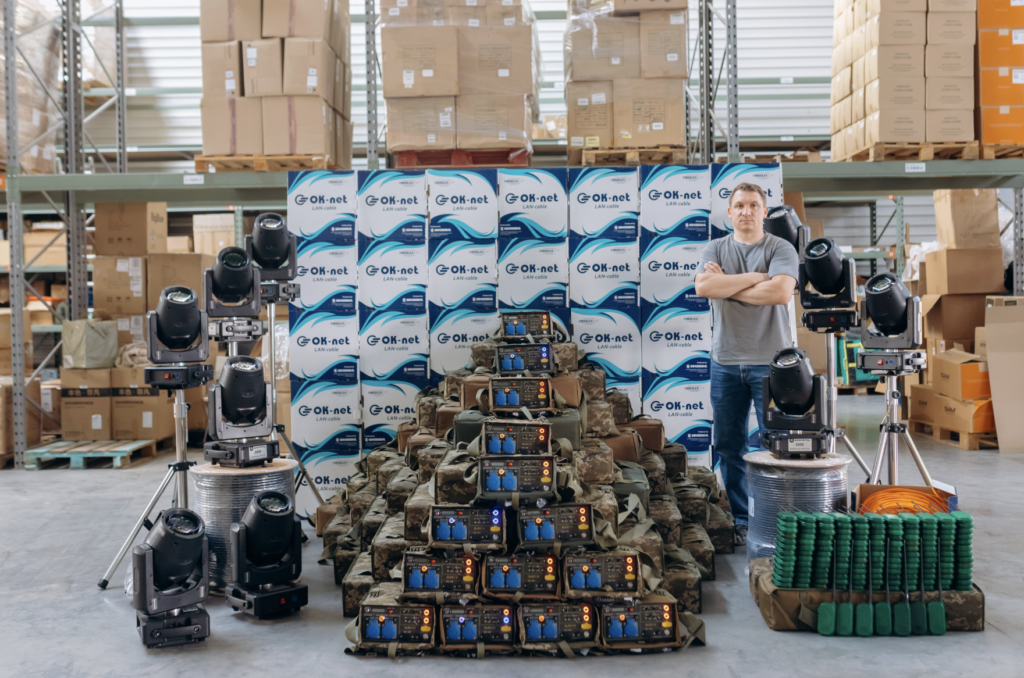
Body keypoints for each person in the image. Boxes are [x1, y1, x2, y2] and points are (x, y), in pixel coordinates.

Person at [694, 183, 799, 546]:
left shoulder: (780, 248)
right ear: (730, 212)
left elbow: (780, 293)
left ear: (764, 212)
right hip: (725, 363)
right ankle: (741, 518)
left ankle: (777, 521)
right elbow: (704, 288)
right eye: (739, 205)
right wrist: (758, 277)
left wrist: (726, 283)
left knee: (777, 446)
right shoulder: (715, 248)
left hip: (771, 365)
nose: (746, 211)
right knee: (728, 446)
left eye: (754, 205)